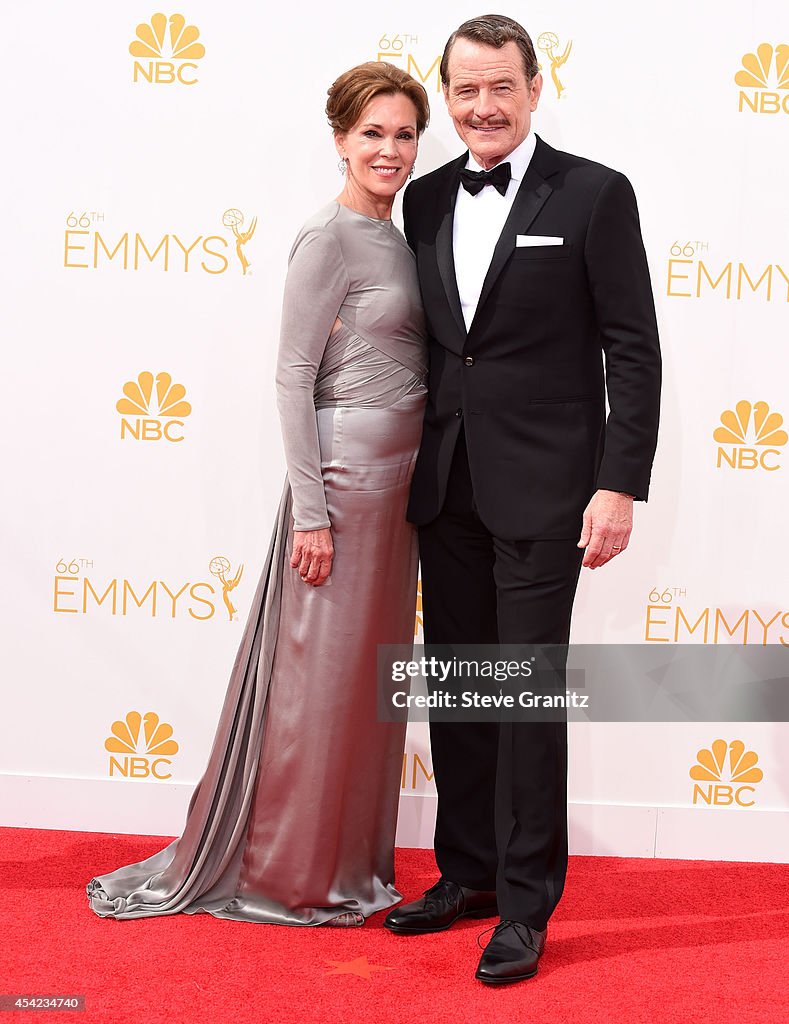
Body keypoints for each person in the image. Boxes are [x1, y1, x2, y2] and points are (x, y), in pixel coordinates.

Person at [85, 62, 429, 928]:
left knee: (362, 682)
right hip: (345, 483)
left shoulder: (402, 231)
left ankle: (348, 862)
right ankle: (291, 871)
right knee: (319, 680)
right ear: (340, 140)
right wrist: (311, 509)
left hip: (402, 492)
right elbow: (291, 377)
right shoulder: (329, 237)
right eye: (372, 134)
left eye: (403, 134)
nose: (389, 150)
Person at [383, 15, 661, 982]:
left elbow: (632, 345)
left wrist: (619, 481)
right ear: (445, 94)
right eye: (462, 90)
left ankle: (528, 905)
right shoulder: (419, 201)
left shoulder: (592, 193)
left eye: (499, 86)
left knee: (525, 694)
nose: (481, 107)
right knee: (460, 689)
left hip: (550, 488)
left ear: (535, 88)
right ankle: (467, 874)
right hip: (444, 479)